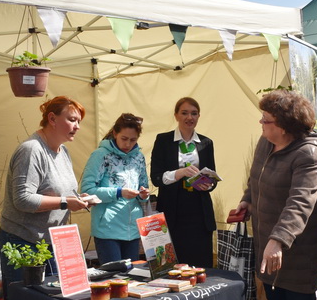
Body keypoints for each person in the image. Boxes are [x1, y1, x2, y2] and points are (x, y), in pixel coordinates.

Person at [235, 90, 317, 300]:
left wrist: (278, 240)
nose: (261, 124)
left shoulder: (309, 156)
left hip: (296, 251)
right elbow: (256, 179)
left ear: (285, 126)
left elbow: (300, 202)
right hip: (269, 247)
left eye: (266, 120)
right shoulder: (266, 144)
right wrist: (246, 202)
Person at [0, 96, 90, 286]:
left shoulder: (63, 151)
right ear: (52, 119)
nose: (77, 126)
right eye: (72, 120)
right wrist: (65, 202)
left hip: (51, 243)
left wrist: (78, 199)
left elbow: (58, 192)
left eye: (79, 122)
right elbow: (23, 199)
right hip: (24, 242)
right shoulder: (31, 150)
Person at [150, 97, 217, 268]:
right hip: (173, 209)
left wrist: (208, 185)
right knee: (169, 264)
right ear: (176, 116)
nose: (190, 117)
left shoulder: (206, 143)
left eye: (194, 113)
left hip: (199, 211)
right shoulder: (163, 140)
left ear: (199, 116)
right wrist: (179, 173)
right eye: (185, 113)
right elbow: (156, 177)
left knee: (200, 263)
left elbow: (212, 176)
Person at [80, 113, 150, 264]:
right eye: (124, 139)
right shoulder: (100, 155)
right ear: (114, 133)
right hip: (107, 228)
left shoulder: (139, 157)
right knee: (113, 278)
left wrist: (143, 194)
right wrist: (119, 192)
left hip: (133, 229)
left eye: (133, 140)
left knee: (132, 279)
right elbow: (87, 190)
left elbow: (143, 187)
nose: (128, 144)